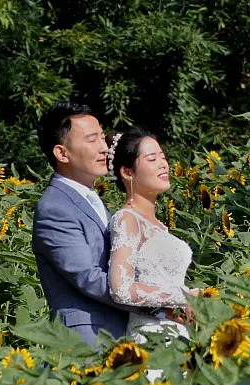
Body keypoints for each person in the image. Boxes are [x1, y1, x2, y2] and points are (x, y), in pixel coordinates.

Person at [32, 100, 129, 345]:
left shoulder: (91, 198)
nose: (104, 148)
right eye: (91, 139)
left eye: (102, 138)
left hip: (116, 333)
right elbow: (88, 277)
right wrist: (154, 303)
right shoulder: (55, 207)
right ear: (61, 153)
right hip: (87, 340)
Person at [105, 126, 196, 341]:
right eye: (152, 158)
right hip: (151, 336)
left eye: (163, 157)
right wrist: (184, 297)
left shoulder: (159, 226)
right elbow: (121, 289)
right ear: (127, 172)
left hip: (176, 331)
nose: (163, 164)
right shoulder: (127, 219)